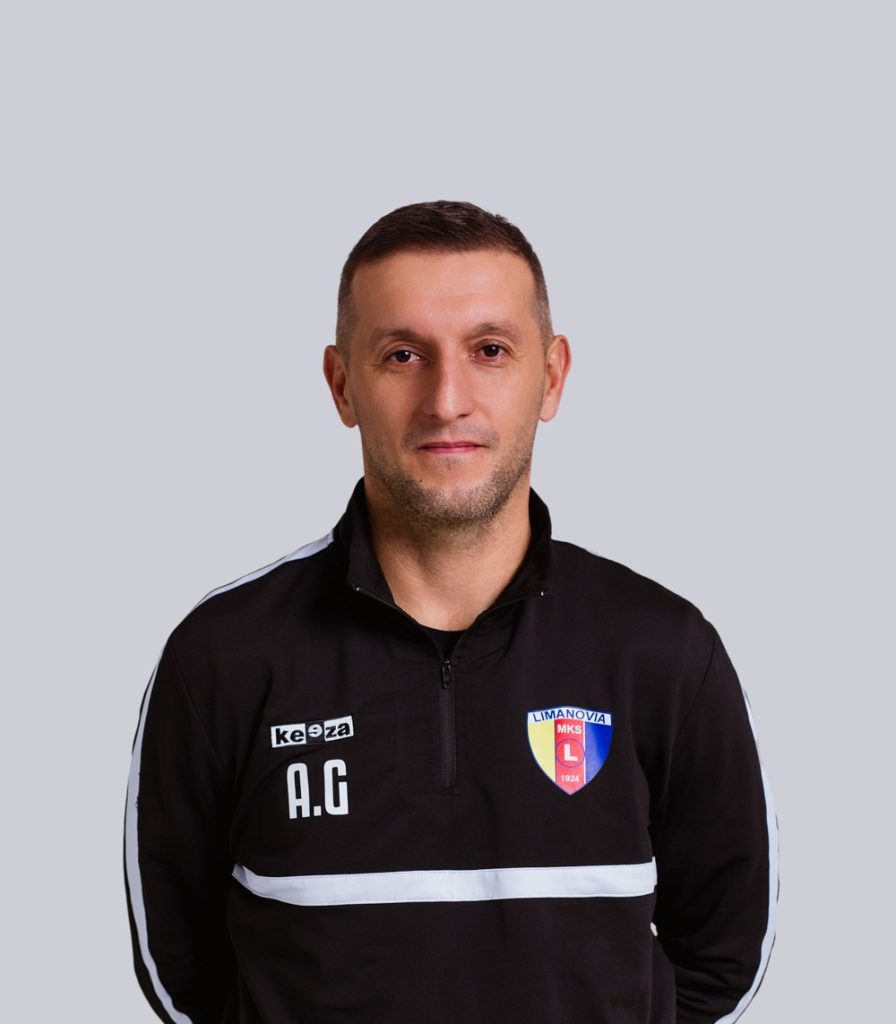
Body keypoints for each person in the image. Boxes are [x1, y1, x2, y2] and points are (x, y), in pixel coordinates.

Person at [125, 200, 777, 1024]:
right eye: (402, 355)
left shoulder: (665, 650)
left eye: (490, 350)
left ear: (551, 376)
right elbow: (179, 970)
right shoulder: (223, 656)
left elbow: (724, 959)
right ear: (342, 384)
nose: (447, 399)